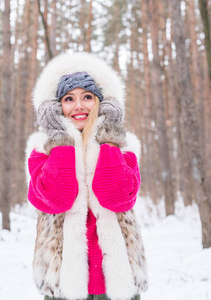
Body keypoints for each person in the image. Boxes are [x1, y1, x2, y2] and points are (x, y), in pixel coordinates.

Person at [25, 52, 147, 300]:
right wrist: (61, 140)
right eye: (68, 98)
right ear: (55, 106)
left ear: (102, 101)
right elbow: (59, 199)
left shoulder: (123, 149)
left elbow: (116, 199)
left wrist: (108, 138)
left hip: (118, 283)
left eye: (87, 97)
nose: (78, 106)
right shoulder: (41, 153)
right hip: (62, 284)